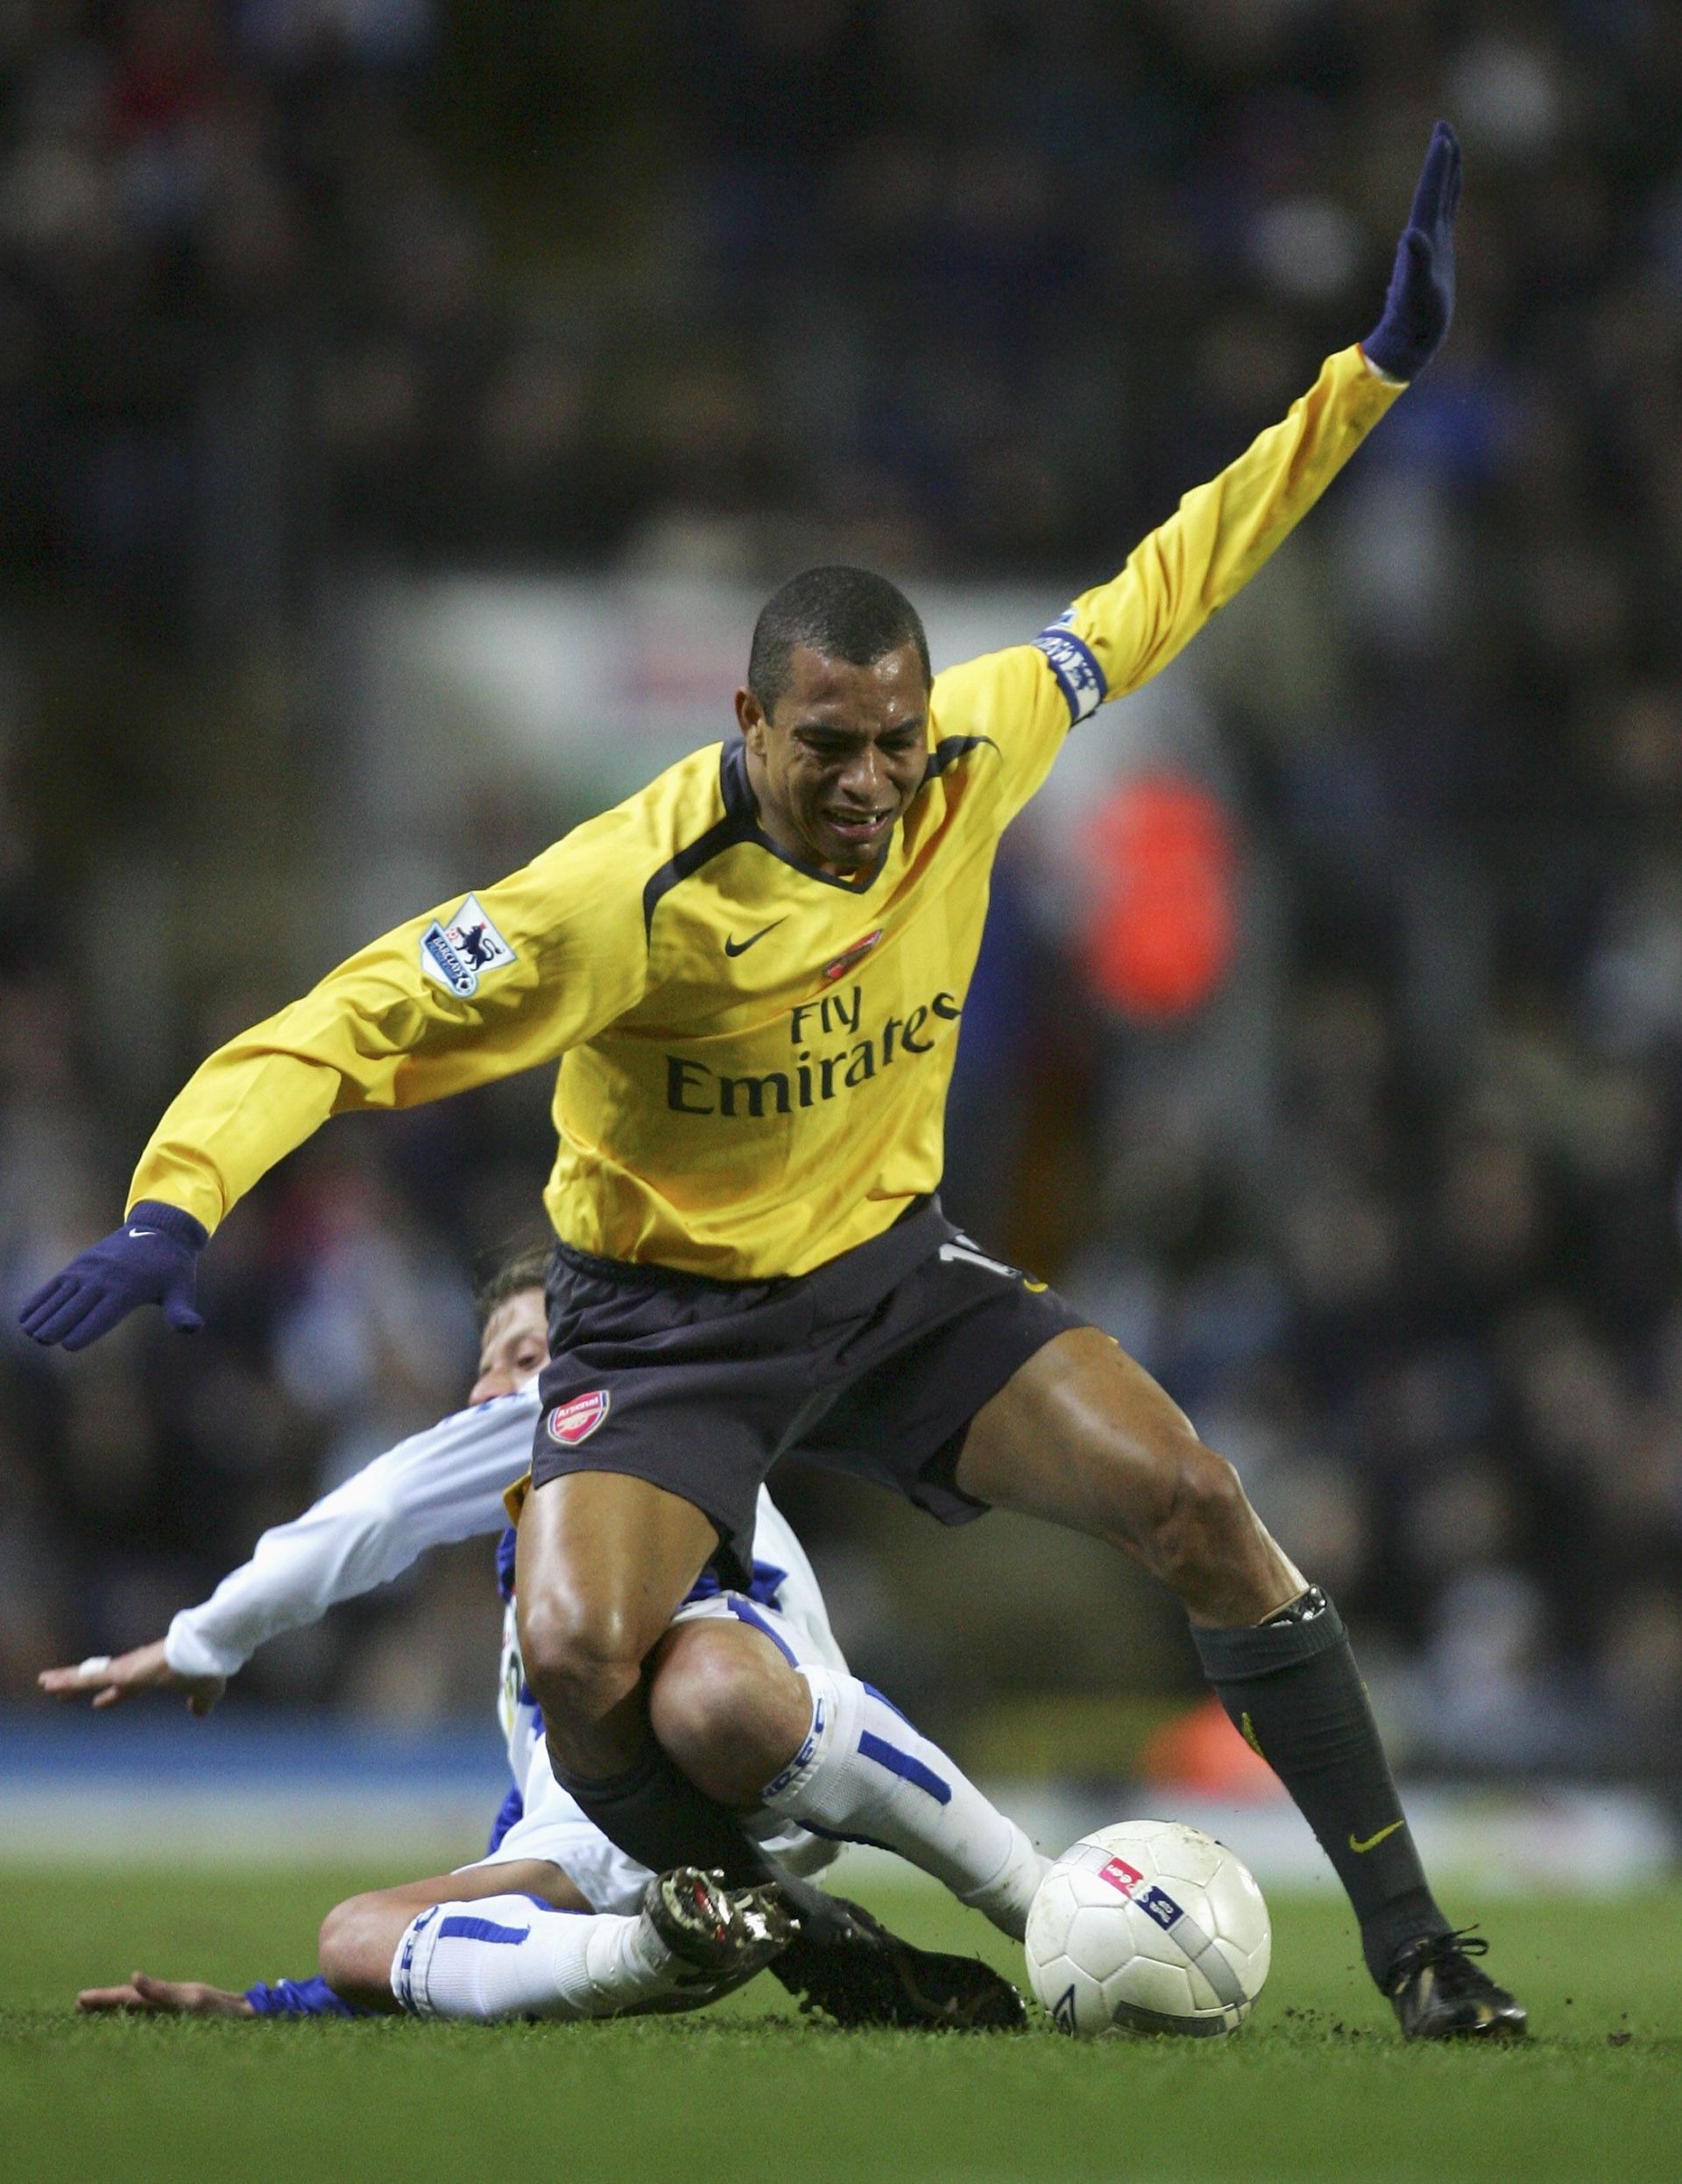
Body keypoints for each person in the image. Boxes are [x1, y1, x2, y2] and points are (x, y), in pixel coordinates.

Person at [23, 124, 1520, 2038]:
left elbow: (1169, 581)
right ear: (747, 719)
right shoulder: (611, 898)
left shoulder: (978, 748)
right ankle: (826, 1951)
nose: (874, 782)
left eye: (893, 741)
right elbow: (348, 1017)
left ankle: (1417, 1945)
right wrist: (179, 1195)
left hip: (891, 1276)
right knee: (577, 1657)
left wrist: (1367, 378)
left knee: (1199, 1499)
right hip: (661, 1331)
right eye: (831, 745)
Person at [48, 1258, 1036, 2027]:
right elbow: (532, 1816)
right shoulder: (534, 1630)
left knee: (710, 1697)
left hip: (765, 1749)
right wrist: (271, 2004)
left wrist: (205, 1638)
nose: (497, 1390)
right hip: (626, 1879)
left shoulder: (613, 1411)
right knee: (352, 1938)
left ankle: (1033, 1895)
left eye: (523, 1354)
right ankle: (679, 1944)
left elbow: (381, 1507)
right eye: (486, 1364)